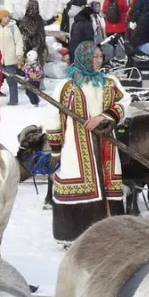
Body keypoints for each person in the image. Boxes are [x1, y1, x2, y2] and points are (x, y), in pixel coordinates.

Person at [45, 41, 126, 243]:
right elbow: (52, 117)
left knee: (107, 185)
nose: (97, 61)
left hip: (106, 145)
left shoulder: (110, 82)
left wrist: (104, 117)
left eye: (100, 56)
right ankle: (74, 235)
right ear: (83, 58)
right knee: (78, 183)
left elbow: (124, 102)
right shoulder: (67, 86)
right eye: (93, 57)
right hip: (74, 148)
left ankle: (110, 232)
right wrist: (55, 150)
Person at [0, 7, 23, 105]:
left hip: (10, 58)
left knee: (11, 80)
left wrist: (19, 54)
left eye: (8, 16)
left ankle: (14, 100)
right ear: (0, 18)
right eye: (5, 16)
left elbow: (19, 41)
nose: (7, 18)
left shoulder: (13, 27)